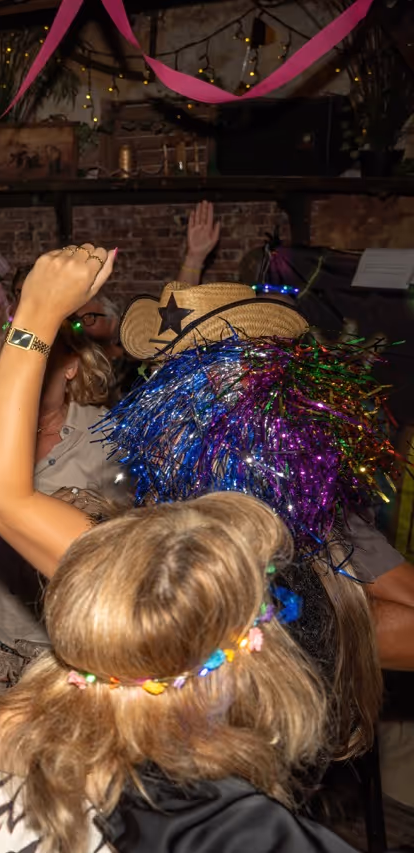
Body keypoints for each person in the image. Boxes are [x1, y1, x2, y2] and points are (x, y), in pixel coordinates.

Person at [0, 243, 360, 853]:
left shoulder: (180, 569)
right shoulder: (296, 551)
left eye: (167, 383)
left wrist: (34, 318)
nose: (146, 401)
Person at [107, 277, 413, 746]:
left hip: (293, 634)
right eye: (168, 373)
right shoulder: (167, 453)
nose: (185, 393)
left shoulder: (292, 464)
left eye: (207, 371)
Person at [0, 322, 127, 693]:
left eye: (45, 358)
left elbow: (126, 532)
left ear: (71, 368)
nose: (30, 369)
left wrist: (83, 511)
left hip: (60, 635)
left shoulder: (104, 434)